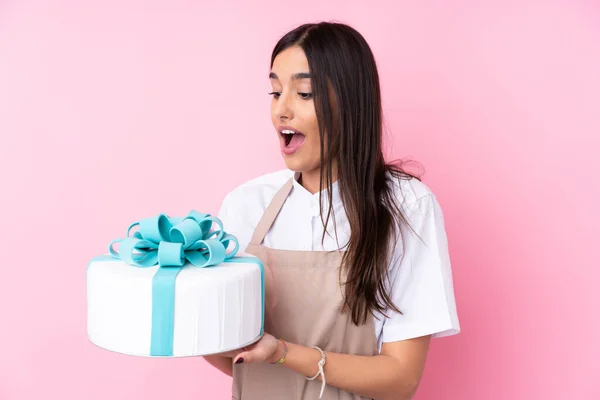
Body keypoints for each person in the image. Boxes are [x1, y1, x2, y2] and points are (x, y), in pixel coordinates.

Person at [204, 21, 460, 400]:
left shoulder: (406, 207)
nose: (281, 111)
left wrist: (284, 353)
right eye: (275, 92)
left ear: (351, 102)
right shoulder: (244, 205)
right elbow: (228, 352)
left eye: (303, 93)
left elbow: (401, 378)